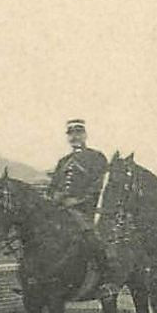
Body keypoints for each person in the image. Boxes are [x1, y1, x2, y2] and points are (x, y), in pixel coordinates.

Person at [47, 118, 112, 301]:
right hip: (63, 211)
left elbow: (101, 184)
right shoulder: (63, 161)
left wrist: (78, 200)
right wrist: (55, 196)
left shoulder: (96, 157)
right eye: (71, 134)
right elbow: (53, 187)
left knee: (93, 239)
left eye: (78, 133)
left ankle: (106, 282)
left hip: (86, 210)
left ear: (85, 134)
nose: (75, 137)